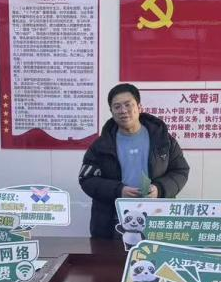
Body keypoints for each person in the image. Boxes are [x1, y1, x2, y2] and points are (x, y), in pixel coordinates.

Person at [79, 83, 189, 240]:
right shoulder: (101, 145)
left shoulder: (162, 139)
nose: (123, 110)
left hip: (156, 217)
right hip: (114, 221)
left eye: (128, 104)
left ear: (139, 107)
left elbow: (180, 171)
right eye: (117, 107)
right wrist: (118, 190)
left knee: (154, 256)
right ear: (111, 111)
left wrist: (160, 189)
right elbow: (87, 179)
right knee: (112, 257)